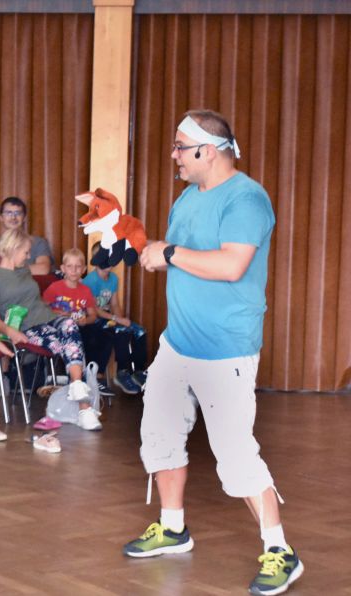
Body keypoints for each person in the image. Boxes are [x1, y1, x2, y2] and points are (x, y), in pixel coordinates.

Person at [125, 109, 302, 595]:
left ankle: (279, 550)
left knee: (235, 453)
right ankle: (172, 528)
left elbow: (231, 265)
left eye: (181, 147)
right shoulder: (186, 197)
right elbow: (184, 257)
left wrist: (171, 253)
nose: (174, 156)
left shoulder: (247, 198)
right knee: (159, 435)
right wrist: (155, 253)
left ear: (208, 151)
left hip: (225, 350)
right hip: (177, 343)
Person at [0, 229, 101, 431]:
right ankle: (84, 409)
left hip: (47, 317)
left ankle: (77, 390)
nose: (28, 256)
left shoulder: (24, 270)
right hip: (25, 327)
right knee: (65, 345)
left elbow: (36, 300)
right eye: (26, 252)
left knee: (70, 325)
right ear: (13, 249)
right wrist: (10, 331)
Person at [41, 248, 114, 396]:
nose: (74, 270)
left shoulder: (86, 290)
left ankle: (95, 375)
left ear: (84, 269)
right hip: (60, 329)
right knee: (81, 336)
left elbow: (93, 315)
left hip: (80, 326)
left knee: (104, 331)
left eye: (78, 266)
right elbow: (41, 309)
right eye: (70, 266)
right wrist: (58, 313)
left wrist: (85, 320)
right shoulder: (55, 288)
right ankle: (82, 378)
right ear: (63, 268)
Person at [83, 241, 147, 394]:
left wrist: (121, 319)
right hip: (93, 319)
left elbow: (114, 304)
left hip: (108, 317)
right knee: (120, 331)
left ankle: (138, 371)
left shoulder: (113, 279)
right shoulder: (90, 281)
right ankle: (122, 372)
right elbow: (95, 310)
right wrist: (117, 321)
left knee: (140, 331)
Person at [0, 196, 53, 280]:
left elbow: (43, 269)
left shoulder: (38, 242)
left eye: (18, 213)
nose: (13, 217)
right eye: (8, 213)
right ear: (1, 218)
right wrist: (23, 271)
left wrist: (5, 271)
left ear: (24, 218)